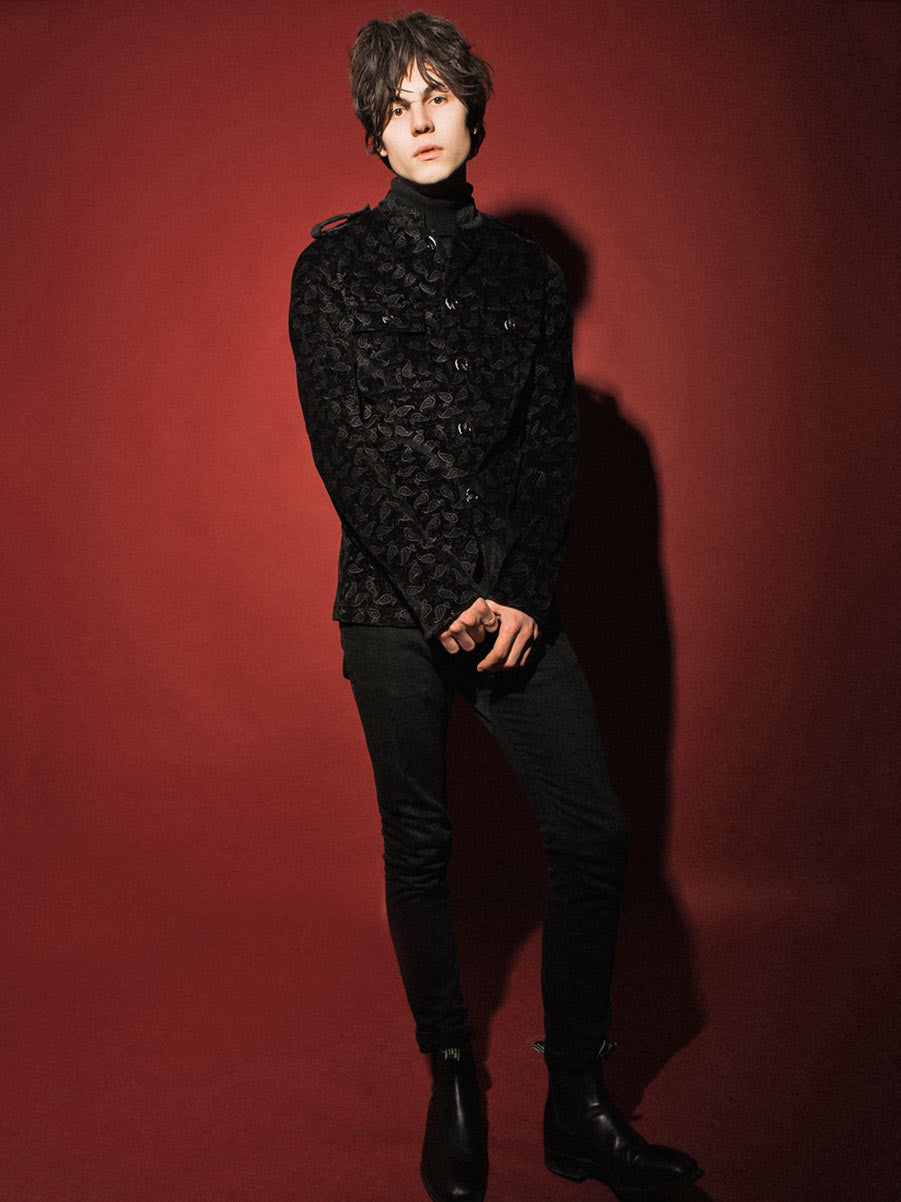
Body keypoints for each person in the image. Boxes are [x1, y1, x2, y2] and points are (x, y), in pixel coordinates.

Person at [289, 12, 702, 1201]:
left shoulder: (527, 276)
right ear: (374, 136)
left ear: (473, 112)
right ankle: (451, 1072)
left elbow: (548, 450)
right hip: (391, 602)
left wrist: (516, 590)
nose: (418, 120)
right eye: (395, 106)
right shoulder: (332, 268)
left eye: (436, 96)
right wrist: (441, 593)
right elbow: (348, 447)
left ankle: (578, 1099)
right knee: (420, 842)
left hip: (514, 601)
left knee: (595, 835)